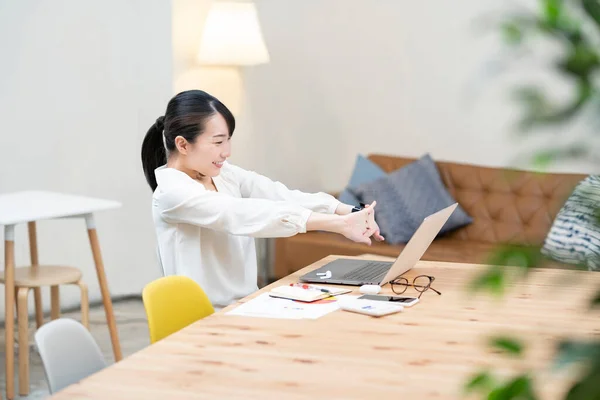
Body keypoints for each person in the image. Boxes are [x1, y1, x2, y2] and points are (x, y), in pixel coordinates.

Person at [141, 90, 384, 310]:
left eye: (228, 140)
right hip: (206, 317)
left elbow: (275, 193)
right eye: (218, 142)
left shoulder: (223, 173)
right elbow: (240, 213)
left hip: (246, 304)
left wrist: (343, 209)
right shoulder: (172, 193)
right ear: (183, 144)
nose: (227, 151)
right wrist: (335, 225)